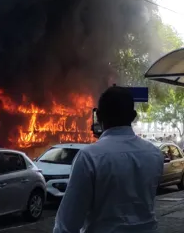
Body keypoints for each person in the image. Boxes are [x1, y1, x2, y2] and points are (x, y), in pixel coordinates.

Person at [53, 86, 164, 233]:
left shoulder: (89, 157)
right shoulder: (155, 154)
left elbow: (67, 224)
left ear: (98, 116)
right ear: (133, 116)